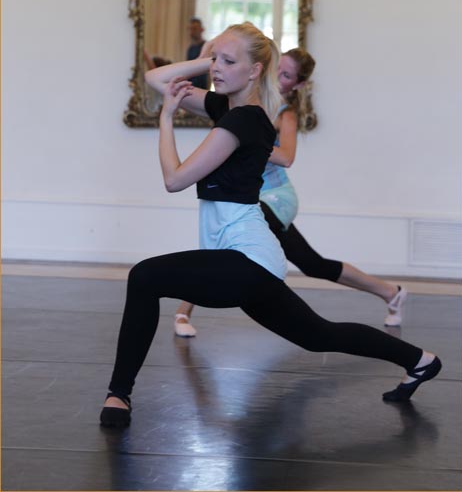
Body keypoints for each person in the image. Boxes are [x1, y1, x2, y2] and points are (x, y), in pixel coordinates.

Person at [100, 22, 441, 428]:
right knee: (319, 335)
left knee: (144, 277)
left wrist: (167, 118)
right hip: (246, 258)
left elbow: (174, 179)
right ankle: (420, 360)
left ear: (255, 70)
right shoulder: (227, 109)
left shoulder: (244, 121)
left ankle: (118, 394)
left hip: (246, 259)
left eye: (229, 61)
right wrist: (210, 61)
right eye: (215, 59)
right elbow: (156, 78)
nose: (217, 68)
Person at [174, 47, 407, 338]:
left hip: (276, 197)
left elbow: (286, 157)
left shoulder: (285, 113)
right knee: (312, 264)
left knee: (226, 239)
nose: (278, 77)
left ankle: (184, 309)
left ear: (297, 85)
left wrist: (246, 138)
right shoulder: (243, 101)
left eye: (286, 75)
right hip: (250, 194)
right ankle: (390, 292)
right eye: (277, 69)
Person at [186, 17, 209, 89]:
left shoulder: (207, 47)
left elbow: (209, 71)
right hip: (191, 87)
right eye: (190, 29)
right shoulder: (190, 48)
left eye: (194, 29)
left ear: (202, 29)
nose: (192, 31)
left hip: (203, 88)